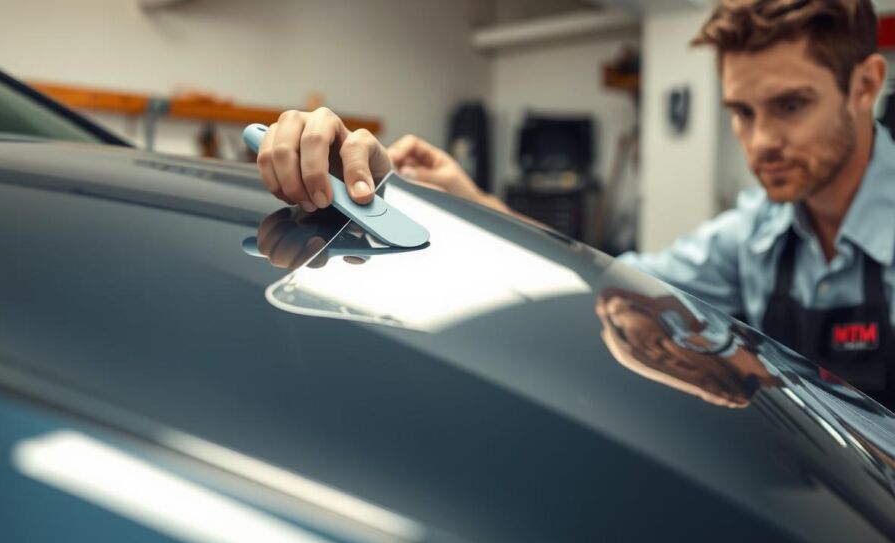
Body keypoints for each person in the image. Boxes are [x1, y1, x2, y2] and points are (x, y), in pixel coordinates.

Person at [252, 0, 895, 403]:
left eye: (789, 106)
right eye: (740, 112)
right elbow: (606, 278)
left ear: (865, 84)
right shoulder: (757, 234)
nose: (760, 143)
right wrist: (471, 200)